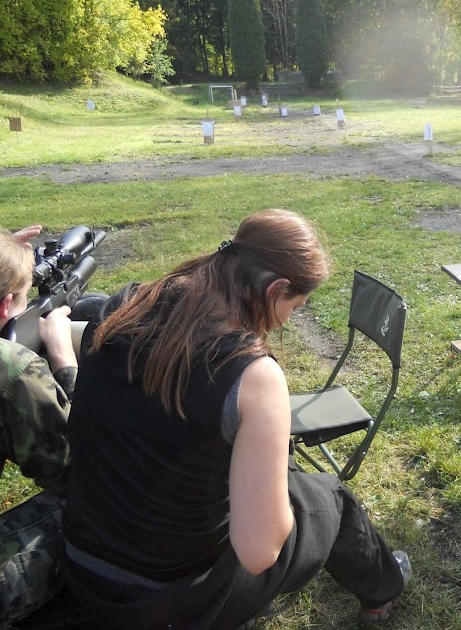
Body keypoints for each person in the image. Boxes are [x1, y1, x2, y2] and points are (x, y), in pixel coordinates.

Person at [60, 209, 409, 629]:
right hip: (170, 599)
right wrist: (280, 497)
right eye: (295, 306)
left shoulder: (126, 305)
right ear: (276, 289)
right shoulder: (251, 376)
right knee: (331, 496)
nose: (288, 319)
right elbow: (258, 553)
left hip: (83, 565)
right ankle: (382, 591)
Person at [0, 225, 80, 626]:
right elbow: (80, 470)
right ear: (5, 306)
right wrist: (64, 361)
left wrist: (8, 260)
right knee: (104, 506)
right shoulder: (10, 367)